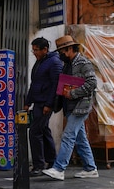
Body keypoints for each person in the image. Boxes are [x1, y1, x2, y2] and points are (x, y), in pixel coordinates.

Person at [42, 35, 99, 180]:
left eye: (62, 51)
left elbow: (92, 83)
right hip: (71, 106)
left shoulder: (83, 62)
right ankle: (90, 168)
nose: (60, 54)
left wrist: (73, 93)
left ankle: (59, 168)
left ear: (69, 49)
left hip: (81, 106)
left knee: (68, 135)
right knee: (80, 138)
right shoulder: (67, 64)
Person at [24, 37, 63, 177]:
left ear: (45, 49)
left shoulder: (54, 62)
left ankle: (38, 165)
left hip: (45, 104)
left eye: (36, 50)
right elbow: (34, 84)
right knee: (44, 130)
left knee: (35, 132)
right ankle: (51, 161)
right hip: (38, 102)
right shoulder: (40, 62)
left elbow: (55, 85)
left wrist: (49, 104)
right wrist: (28, 101)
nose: (34, 53)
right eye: (33, 50)